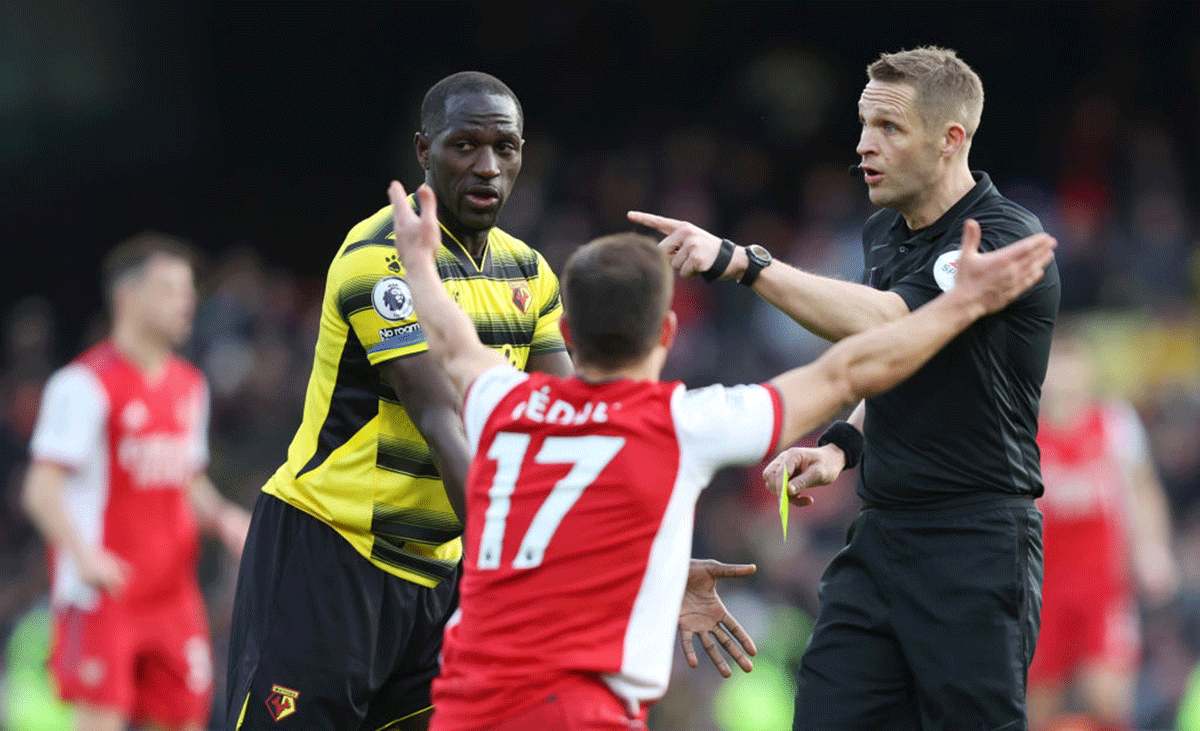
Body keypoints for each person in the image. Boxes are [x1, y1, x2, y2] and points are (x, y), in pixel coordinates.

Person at [387, 179, 1055, 730]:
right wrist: (961, 306)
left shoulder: (504, 402)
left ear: (564, 332)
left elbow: (452, 341)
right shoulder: (678, 421)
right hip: (576, 710)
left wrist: (419, 263)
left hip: (463, 707)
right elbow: (847, 371)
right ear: (668, 330)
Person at [223, 71, 754, 731]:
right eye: (464, 145)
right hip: (331, 554)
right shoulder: (381, 257)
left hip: (440, 569)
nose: (488, 166)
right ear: (423, 150)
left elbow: (576, 427)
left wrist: (648, 560)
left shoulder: (530, 271)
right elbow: (441, 417)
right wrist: (551, 569)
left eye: (505, 147)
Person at [631, 46, 1062, 730]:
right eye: (863, 124)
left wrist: (743, 263)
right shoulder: (884, 233)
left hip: (975, 539)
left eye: (889, 128)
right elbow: (893, 359)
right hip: (882, 534)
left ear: (951, 139)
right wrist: (839, 448)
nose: (864, 144)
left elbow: (894, 321)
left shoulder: (1001, 236)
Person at [21, 232, 251, 731]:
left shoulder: (190, 384)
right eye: (171, 289)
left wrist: (224, 516)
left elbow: (187, 482)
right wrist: (84, 555)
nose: (187, 302)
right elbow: (40, 491)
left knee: (184, 720)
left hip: (173, 594)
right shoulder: (81, 384)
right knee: (102, 721)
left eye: (190, 290)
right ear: (127, 298)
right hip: (103, 593)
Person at [1028, 328, 1179, 731]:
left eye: (1073, 366)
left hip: (1103, 584)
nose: (1065, 377)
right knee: (1037, 700)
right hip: (1042, 587)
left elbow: (1143, 489)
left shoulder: (1114, 422)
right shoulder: (1024, 430)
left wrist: (1153, 550)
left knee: (1107, 695)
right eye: (1056, 367)